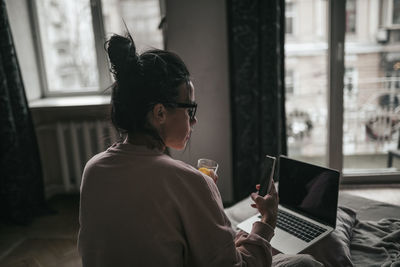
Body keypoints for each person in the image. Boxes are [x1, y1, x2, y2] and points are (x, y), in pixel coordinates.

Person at [77, 32, 320, 267]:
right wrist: (267, 221)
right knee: (305, 263)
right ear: (160, 113)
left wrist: (199, 196)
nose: (194, 121)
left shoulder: (94, 169)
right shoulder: (189, 182)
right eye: (189, 110)